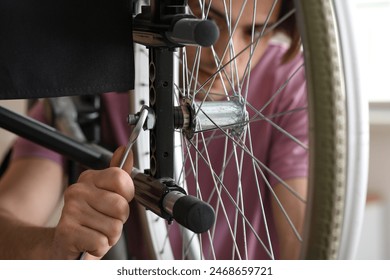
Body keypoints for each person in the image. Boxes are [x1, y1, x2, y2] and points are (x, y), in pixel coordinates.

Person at [0, 0, 307, 260]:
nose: (225, 57)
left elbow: (306, 240)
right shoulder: (93, 91)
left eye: (254, 31)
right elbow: (8, 216)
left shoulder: (294, 90)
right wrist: (54, 246)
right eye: (208, 22)